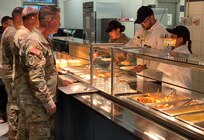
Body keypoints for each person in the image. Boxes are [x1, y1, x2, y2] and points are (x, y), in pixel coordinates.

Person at [18, 6, 72, 139]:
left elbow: (47, 68)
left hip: (37, 102)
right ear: (50, 20)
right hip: (37, 105)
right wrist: (48, 102)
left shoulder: (44, 39)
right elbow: (36, 77)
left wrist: (59, 81)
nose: (59, 24)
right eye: (58, 20)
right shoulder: (35, 42)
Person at [12, 6, 39, 139]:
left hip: (22, 81)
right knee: (27, 119)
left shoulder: (25, 32)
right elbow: (32, 51)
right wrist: (43, 53)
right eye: (39, 17)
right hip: (23, 83)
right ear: (33, 18)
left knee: (24, 119)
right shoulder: (23, 34)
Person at [0, 7, 23, 139]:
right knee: (14, 103)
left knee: (11, 101)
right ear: (18, 18)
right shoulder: (13, 32)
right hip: (11, 74)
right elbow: (19, 54)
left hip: (7, 73)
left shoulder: (9, 30)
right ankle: (14, 133)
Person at [157, 25, 192, 93]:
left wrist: (166, 55)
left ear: (180, 39)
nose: (170, 38)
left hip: (180, 91)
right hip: (170, 89)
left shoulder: (184, 54)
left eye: (172, 36)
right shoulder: (174, 50)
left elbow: (170, 71)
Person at [0, 16, 13, 124]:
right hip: (4, 69)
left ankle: (4, 113)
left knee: (5, 94)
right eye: (9, 24)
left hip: (5, 69)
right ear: (4, 24)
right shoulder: (4, 35)